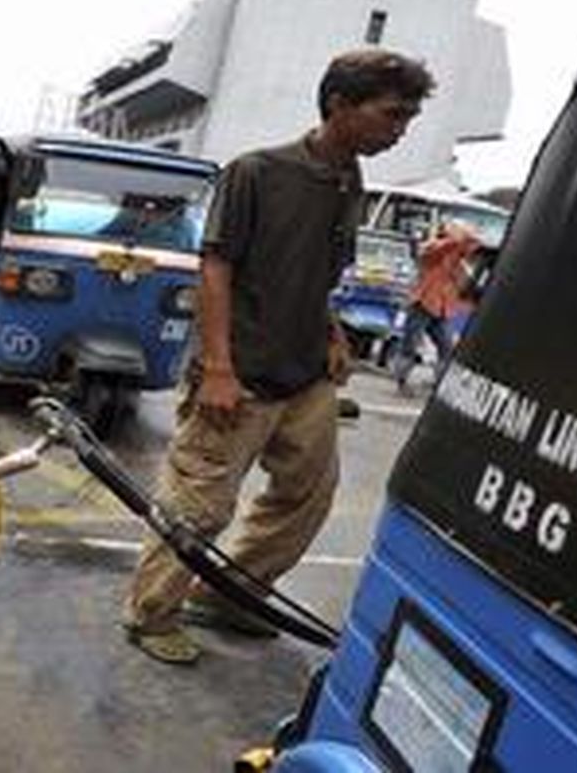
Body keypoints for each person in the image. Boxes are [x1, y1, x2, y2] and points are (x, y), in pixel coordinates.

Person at [121, 49, 435, 664]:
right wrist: (218, 368)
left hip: (305, 374)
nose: (399, 130)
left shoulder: (349, 181)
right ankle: (151, 613)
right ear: (339, 104)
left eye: (407, 119)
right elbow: (215, 268)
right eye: (391, 114)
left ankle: (228, 594)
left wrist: (333, 332)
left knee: (307, 494)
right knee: (199, 505)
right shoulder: (257, 172)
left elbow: (316, 273)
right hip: (238, 373)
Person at [391, 222, 481, 394]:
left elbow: (473, 250)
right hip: (422, 304)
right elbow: (443, 248)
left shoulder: (458, 262)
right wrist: (460, 237)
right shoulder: (432, 248)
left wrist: (470, 239)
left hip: (441, 309)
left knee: (446, 347)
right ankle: (401, 382)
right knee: (410, 346)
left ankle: (439, 384)